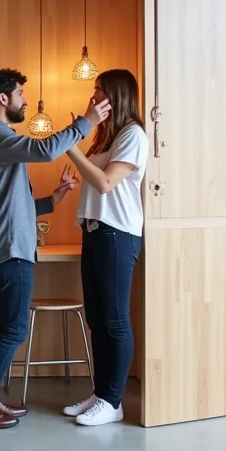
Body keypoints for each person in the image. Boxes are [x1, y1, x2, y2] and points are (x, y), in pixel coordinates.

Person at [0, 68, 109, 429]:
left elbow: (10, 201)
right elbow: (44, 150)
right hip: (10, 247)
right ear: (3, 99)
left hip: (10, 244)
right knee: (13, 328)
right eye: (20, 94)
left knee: (1, 325)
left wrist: (52, 200)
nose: (25, 100)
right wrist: (86, 123)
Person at [61, 69, 147, 427]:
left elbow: (107, 182)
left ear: (116, 96)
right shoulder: (106, 138)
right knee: (97, 319)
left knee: (114, 320)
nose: (93, 97)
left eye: (99, 91)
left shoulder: (133, 135)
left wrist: (71, 147)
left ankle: (113, 402)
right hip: (95, 231)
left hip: (117, 234)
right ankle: (102, 395)